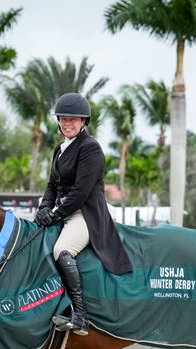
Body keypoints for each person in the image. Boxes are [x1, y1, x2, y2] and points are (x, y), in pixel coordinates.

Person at [34, 93, 132, 335]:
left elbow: (80, 192)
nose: (68, 124)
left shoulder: (91, 149)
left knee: (61, 250)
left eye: (73, 120)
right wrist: (44, 208)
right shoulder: (60, 148)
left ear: (83, 122)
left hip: (85, 214)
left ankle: (80, 315)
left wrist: (54, 215)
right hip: (63, 211)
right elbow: (52, 185)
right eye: (64, 119)